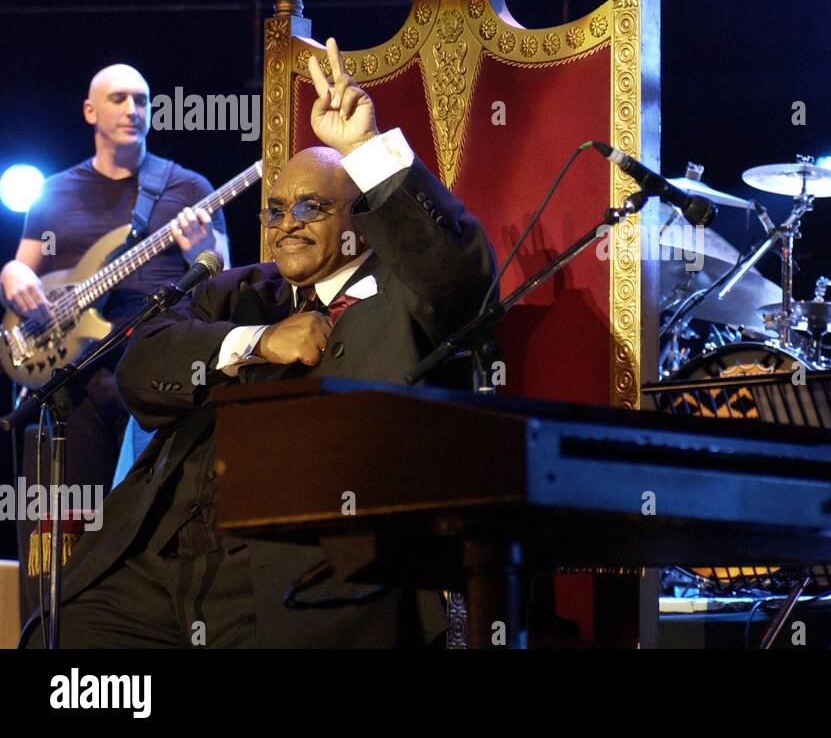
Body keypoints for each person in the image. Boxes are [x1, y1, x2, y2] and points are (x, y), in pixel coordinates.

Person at [21, 39, 496, 648]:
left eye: (311, 206)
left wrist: (363, 150)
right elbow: (141, 370)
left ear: (362, 216)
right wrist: (257, 340)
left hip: (299, 570)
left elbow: (459, 272)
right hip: (156, 559)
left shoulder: (409, 297)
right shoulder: (233, 292)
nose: (288, 222)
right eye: (275, 210)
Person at [2, 63, 227, 624]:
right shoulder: (54, 193)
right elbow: (21, 274)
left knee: (147, 521)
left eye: (143, 100)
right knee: (60, 525)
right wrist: (11, 273)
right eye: (119, 98)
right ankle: (54, 634)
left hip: (157, 377)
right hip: (72, 385)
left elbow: (228, 277)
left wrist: (203, 248)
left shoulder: (188, 188)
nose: (133, 109)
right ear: (90, 112)